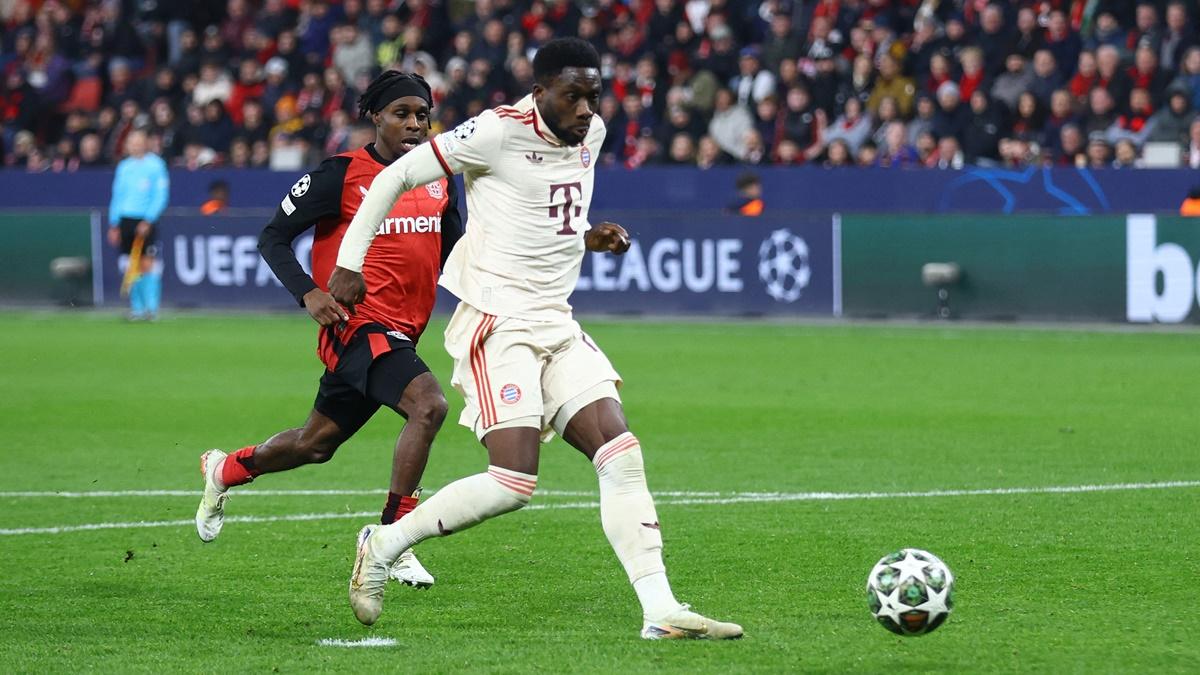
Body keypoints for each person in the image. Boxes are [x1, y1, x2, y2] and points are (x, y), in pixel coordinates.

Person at [329, 37, 742, 640]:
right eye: (571, 97)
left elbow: (549, 214)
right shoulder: (493, 132)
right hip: (498, 322)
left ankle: (660, 610)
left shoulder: (591, 135)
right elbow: (394, 178)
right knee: (514, 482)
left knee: (621, 453)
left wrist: (587, 237)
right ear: (539, 92)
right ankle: (386, 542)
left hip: (556, 320)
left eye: (593, 97)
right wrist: (350, 261)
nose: (585, 110)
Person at [194, 72, 462, 589]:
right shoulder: (340, 174)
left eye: (421, 114)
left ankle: (225, 469)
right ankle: (393, 538)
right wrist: (309, 293)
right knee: (428, 405)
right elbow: (273, 237)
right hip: (355, 325)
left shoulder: (439, 179)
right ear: (375, 117)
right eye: (401, 113)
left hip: (404, 332)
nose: (413, 124)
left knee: (315, 445)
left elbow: (457, 251)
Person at [107, 128, 169, 320]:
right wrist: (114, 223)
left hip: (144, 219)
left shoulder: (156, 165)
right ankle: (137, 308)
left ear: (146, 143)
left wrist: (149, 219)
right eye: (131, 142)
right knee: (129, 265)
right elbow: (117, 196)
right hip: (126, 219)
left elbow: (160, 195)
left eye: (138, 141)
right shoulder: (124, 167)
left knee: (147, 263)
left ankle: (152, 308)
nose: (135, 145)